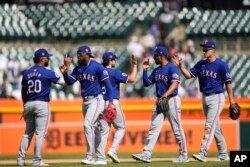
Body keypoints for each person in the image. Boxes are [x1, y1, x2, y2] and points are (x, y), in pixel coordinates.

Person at [172, 39, 234, 162]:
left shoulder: (221, 65)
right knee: (215, 127)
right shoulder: (201, 64)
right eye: (203, 49)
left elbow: (228, 84)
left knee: (209, 126)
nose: (204, 51)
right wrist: (181, 66)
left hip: (217, 97)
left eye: (206, 49)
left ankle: (203, 153)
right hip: (204, 97)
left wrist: (232, 101)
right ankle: (223, 154)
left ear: (213, 50)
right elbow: (188, 75)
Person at [131, 46, 189, 163]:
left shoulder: (172, 67)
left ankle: (184, 155)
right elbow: (147, 83)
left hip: (171, 100)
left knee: (177, 129)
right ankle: (146, 154)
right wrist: (145, 70)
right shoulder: (157, 70)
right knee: (154, 128)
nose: (154, 57)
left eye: (155, 55)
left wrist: (165, 95)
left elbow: (174, 84)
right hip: (160, 100)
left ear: (161, 56)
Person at [59, 45, 113, 165]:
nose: (78, 55)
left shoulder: (97, 67)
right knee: (96, 129)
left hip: (96, 99)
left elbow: (108, 84)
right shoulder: (78, 68)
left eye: (80, 53)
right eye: (77, 53)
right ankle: (101, 158)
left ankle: (89, 156)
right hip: (85, 101)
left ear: (88, 55)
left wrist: (111, 103)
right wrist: (65, 72)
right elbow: (69, 82)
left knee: (87, 125)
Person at [17, 48, 66, 166]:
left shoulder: (27, 72)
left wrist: (24, 105)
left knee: (27, 133)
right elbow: (64, 82)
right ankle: (37, 161)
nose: (48, 59)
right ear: (42, 59)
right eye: (47, 57)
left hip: (28, 103)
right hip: (42, 104)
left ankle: (20, 159)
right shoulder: (47, 72)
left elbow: (23, 90)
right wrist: (64, 71)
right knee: (40, 134)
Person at [96, 52, 137, 164]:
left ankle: (100, 158)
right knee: (121, 127)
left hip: (99, 103)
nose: (115, 61)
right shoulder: (114, 72)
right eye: (114, 59)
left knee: (103, 131)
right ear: (111, 60)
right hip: (112, 102)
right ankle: (113, 150)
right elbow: (132, 79)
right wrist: (134, 65)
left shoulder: (98, 73)